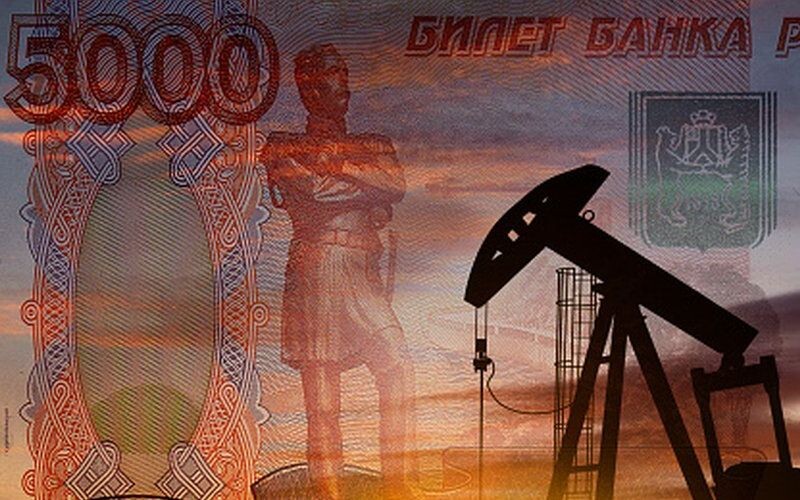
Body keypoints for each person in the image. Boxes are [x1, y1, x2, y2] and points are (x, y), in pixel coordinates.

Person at [261, 43, 415, 499]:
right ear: (309, 89)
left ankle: (398, 488)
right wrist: (366, 187)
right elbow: (316, 193)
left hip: (363, 271)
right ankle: (327, 493)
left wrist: (343, 166)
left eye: (344, 72)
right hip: (319, 269)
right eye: (332, 74)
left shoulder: (373, 143)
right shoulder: (284, 146)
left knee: (397, 363)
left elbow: (396, 185)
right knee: (323, 396)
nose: (342, 82)